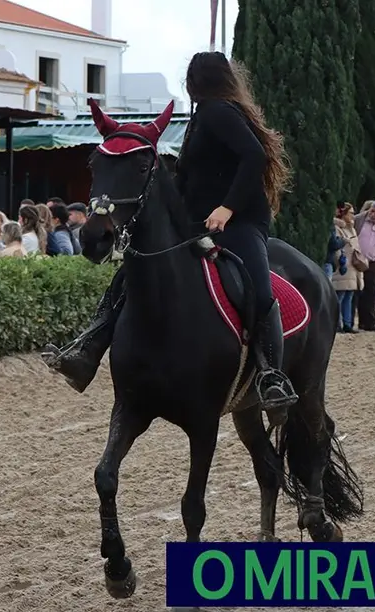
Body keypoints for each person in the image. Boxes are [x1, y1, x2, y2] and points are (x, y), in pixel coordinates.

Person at [42, 51, 299, 420]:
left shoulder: (218, 112)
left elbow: (254, 157)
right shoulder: (199, 118)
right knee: (130, 276)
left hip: (241, 222)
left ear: (196, 82)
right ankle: (88, 350)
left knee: (259, 291)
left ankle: (271, 376)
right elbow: (189, 179)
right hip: (197, 223)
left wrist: (228, 209)